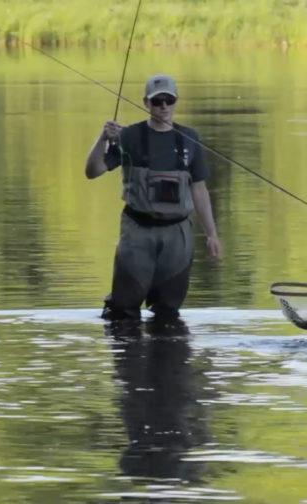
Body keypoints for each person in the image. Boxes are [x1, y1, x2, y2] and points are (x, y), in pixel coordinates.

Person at [85, 73, 222, 322]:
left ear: (175, 101)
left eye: (168, 100)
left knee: (168, 312)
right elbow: (92, 172)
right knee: (122, 311)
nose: (163, 107)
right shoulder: (128, 136)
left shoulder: (190, 139)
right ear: (146, 103)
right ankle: (127, 355)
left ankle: (169, 357)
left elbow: (199, 190)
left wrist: (212, 234)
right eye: (157, 101)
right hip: (137, 232)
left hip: (177, 234)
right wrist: (103, 139)